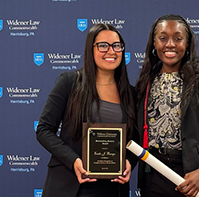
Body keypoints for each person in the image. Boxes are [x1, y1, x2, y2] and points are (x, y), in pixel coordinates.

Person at [135, 14, 199, 197]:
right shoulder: (146, 81)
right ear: (154, 43)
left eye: (178, 38)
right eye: (163, 38)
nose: (170, 44)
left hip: (191, 175)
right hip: (153, 174)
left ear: (187, 43)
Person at [36, 24, 137, 197]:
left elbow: (134, 140)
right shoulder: (69, 82)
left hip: (113, 189)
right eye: (103, 45)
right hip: (71, 185)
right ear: (91, 49)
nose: (111, 51)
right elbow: (44, 130)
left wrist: (129, 162)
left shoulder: (131, 94)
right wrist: (74, 161)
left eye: (117, 45)